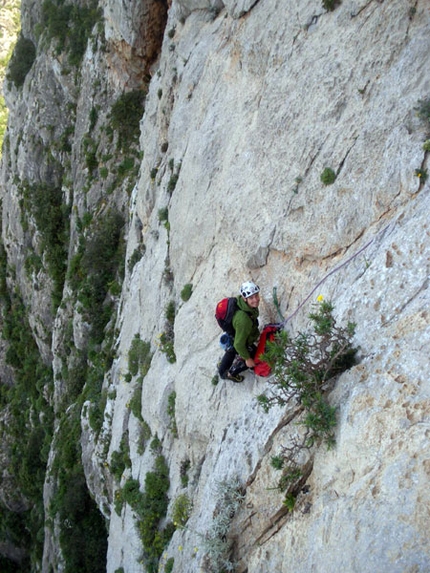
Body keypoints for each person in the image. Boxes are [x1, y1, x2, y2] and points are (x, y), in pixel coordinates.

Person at [218, 281, 261, 382]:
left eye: (256, 295)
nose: (256, 300)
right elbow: (239, 344)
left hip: (237, 331)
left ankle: (223, 365)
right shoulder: (244, 320)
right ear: (245, 298)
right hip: (239, 335)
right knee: (253, 355)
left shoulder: (243, 303)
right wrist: (247, 359)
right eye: (251, 298)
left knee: (235, 347)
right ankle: (230, 374)